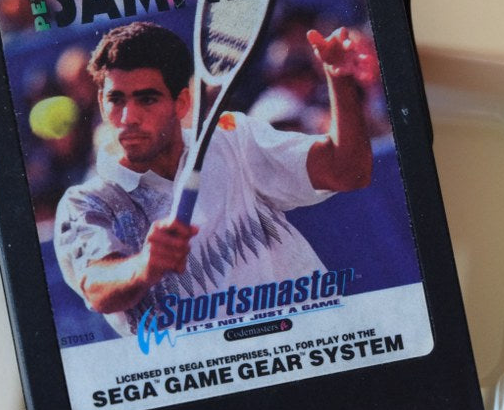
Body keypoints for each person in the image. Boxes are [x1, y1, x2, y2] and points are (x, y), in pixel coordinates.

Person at [54, 20, 374, 336]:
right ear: (101, 102)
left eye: (147, 99)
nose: (128, 118)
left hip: (308, 340)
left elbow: (348, 172)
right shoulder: (86, 202)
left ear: (181, 103)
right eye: (116, 100)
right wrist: (145, 266)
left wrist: (339, 78)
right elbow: (96, 287)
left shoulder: (232, 138)